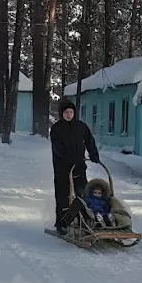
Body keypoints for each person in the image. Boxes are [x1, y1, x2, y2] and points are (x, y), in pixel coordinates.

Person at [50, 99, 100, 233]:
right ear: (62, 113)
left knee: (83, 193)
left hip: (79, 166)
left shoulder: (81, 126)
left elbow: (90, 141)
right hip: (62, 168)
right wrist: (69, 158)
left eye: (71, 112)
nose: (69, 114)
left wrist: (94, 154)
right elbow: (57, 148)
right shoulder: (56, 128)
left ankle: (86, 221)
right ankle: (62, 223)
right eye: (66, 112)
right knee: (63, 196)